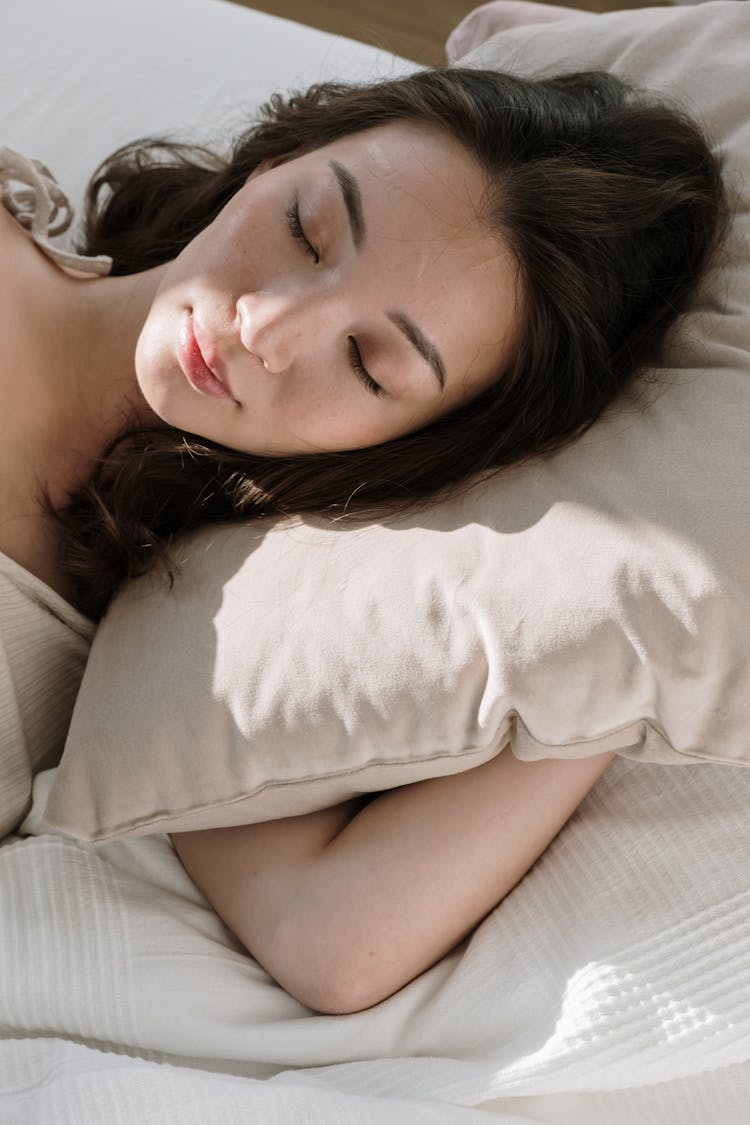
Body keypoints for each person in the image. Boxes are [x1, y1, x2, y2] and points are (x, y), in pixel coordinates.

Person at [0, 67, 727, 1010]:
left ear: (427, 447)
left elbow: (328, 934)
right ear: (275, 157)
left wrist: (627, 643)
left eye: (368, 363)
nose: (267, 325)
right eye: (307, 227)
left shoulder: (190, 622)